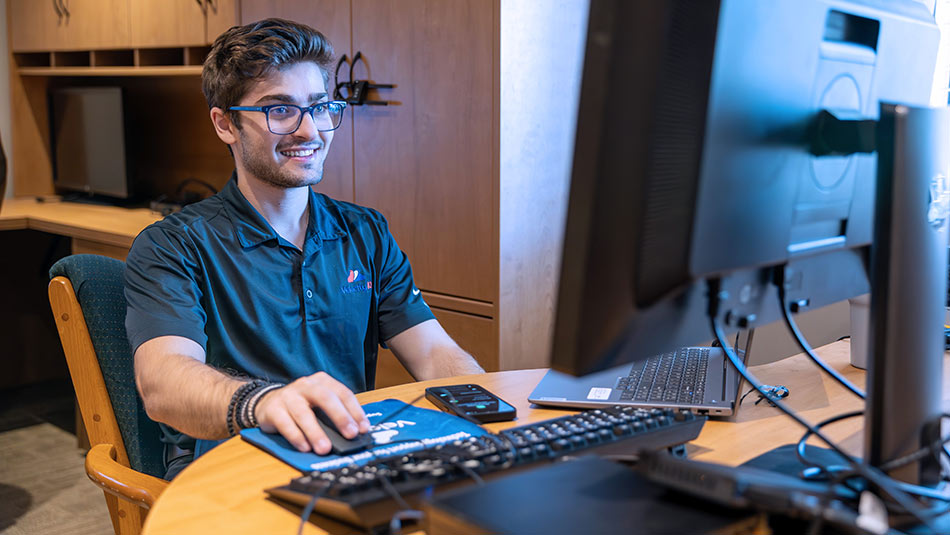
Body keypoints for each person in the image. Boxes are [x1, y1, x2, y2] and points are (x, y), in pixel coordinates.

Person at [124, 18, 484, 479]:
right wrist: (263, 403)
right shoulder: (173, 245)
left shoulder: (365, 232)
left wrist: (493, 411)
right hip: (227, 470)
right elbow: (163, 382)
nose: (310, 131)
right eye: (279, 110)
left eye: (319, 107)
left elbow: (434, 353)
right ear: (225, 124)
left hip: (344, 459)